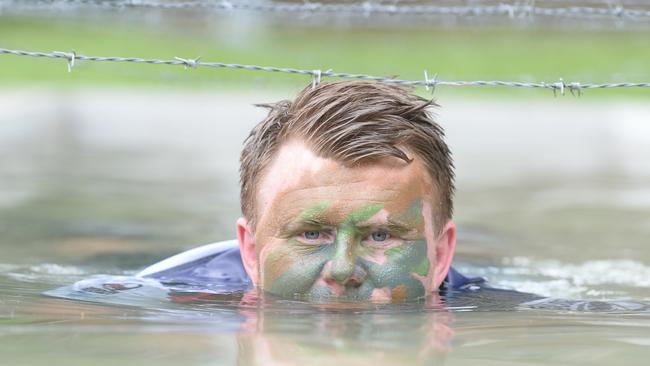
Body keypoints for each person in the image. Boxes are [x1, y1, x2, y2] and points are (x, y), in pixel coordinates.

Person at [134, 80, 489, 303]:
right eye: (312, 233)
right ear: (251, 250)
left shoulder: (498, 310)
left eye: (380, 235)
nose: (341, 270)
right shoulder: (162, 295)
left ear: (441, 255)